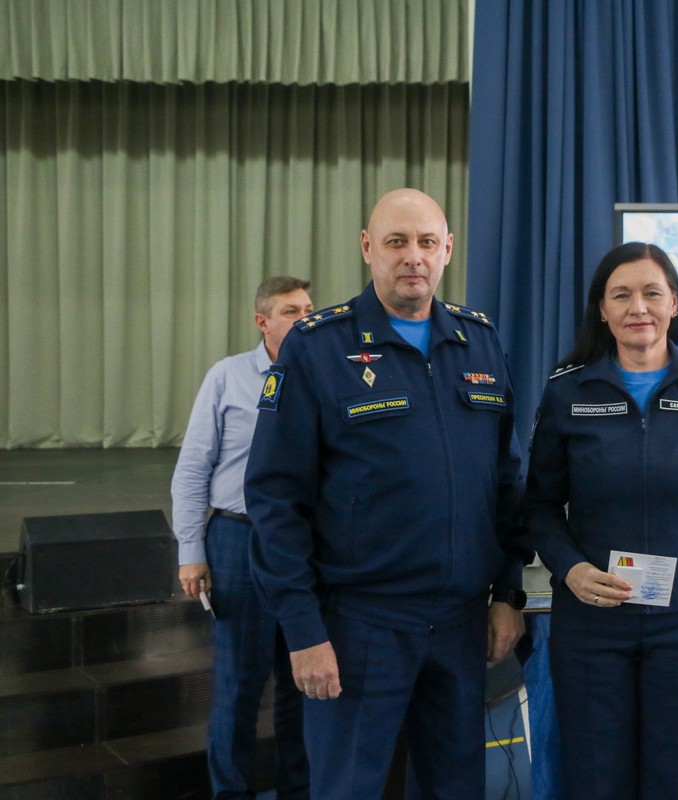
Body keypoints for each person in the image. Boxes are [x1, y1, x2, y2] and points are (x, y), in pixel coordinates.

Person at [243, 189, 528, 799]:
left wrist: (507, 592)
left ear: (447, 249)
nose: (412, 257)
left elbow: (505, 483)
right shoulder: (318, 345)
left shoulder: (478, 340)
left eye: (427, 242)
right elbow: (274, 498)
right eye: (396, 242)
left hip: (461, 625)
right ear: (367, 247)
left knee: (455, 790)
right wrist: (304, 630)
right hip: (358, 627)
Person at [523, 241, 678, 800]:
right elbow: (538, 506)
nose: (638, 307)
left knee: (674, 779)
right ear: (602, 310)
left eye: (652, 293)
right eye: (622, 295)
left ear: (674, 304)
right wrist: (571, 569)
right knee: (595, 777)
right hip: (593, 617)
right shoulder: (567, 391)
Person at [170, 276, 314, 800]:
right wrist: (191, 552)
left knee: (303, 686)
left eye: (309, 309)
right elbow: (192, 469)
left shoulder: (326, 377)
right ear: (262, 322)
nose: (305, 319)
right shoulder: (227, 377)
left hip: (304, 546)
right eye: (291, 311)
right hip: (238, 540)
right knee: (238, 689)